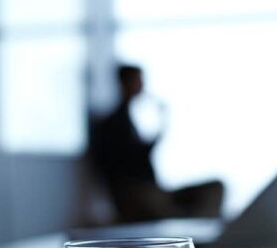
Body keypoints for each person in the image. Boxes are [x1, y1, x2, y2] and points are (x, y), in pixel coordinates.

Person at [88, 64, 224, 222]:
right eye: (138, 80)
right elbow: (130, 160)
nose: (142, 85)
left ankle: (198, 227)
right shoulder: (111, 124)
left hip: (155, 191)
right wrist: (161, 126)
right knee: (158, 204)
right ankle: (188, 229)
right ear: (125, 83)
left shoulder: (127, 121)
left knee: (215, 187)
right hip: (137, 194)